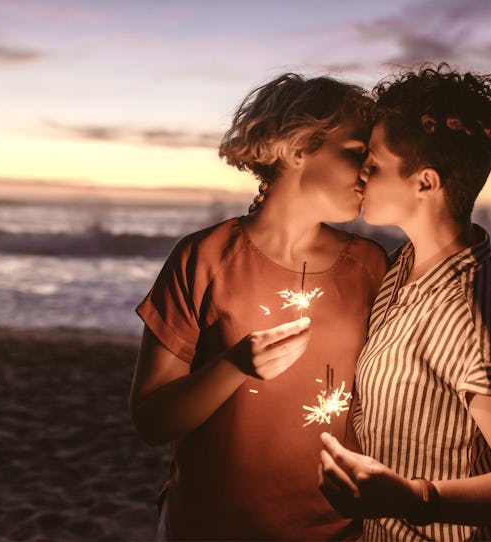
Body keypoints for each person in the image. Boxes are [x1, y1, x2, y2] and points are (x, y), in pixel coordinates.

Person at [129, 73, 388, 540]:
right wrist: (235, 365)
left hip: (337, 532)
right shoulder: (204, 258)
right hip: (209, 528)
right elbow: (152, 420)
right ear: (296, 149)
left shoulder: (370, 266)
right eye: (355, 153)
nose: (368, 171)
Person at [318, 63, 491, 540]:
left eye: (374, 164)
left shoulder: (470, 313)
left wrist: (412, 498)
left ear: (425, 183)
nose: (361, 175)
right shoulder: (402, 264)